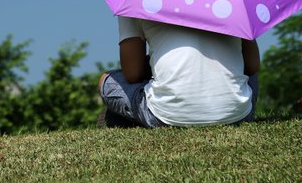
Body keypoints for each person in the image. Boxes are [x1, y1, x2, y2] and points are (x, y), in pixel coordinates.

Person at [98, 16, 260, 127]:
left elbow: (133, 73)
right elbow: (252, 66)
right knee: (247, 74)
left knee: (106, 80)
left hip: (166, 116)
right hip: (237, 115)